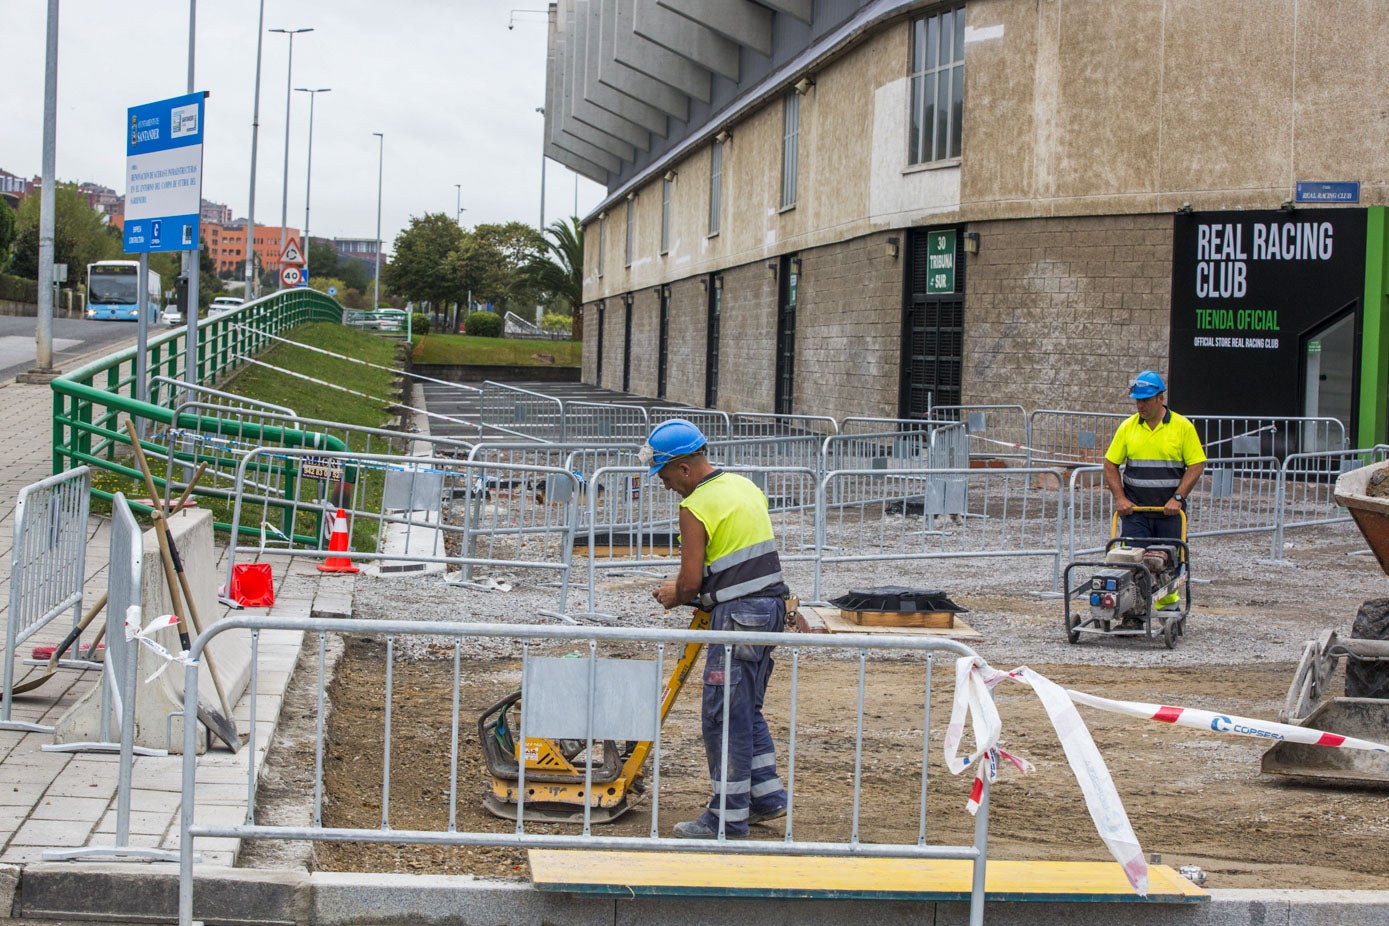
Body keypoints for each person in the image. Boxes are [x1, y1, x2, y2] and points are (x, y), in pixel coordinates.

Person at [643, 418, 790, 839]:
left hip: (738, 616)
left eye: (666, 476)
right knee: (746, 709)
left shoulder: (694, 507)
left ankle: (726, 819)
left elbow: (690, 582)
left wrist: (676, 594)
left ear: (685, 469)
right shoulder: (744, 486)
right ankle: (765, 797)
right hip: (770, 609)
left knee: (723, 716)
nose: (665, 485)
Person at [1103, 369, 1206, 542]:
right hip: (1135, 513)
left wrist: (1178, 498)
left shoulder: (1182, 427)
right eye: (1138, 400)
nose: (1140, 405)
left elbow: (1196, 465)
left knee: (1168, 560)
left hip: (1170, 513)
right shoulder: (1128, 427)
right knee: (1133, 562)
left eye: (1146, 400)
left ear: (1160, 398)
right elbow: (1109, 464)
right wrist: (1120, 498)